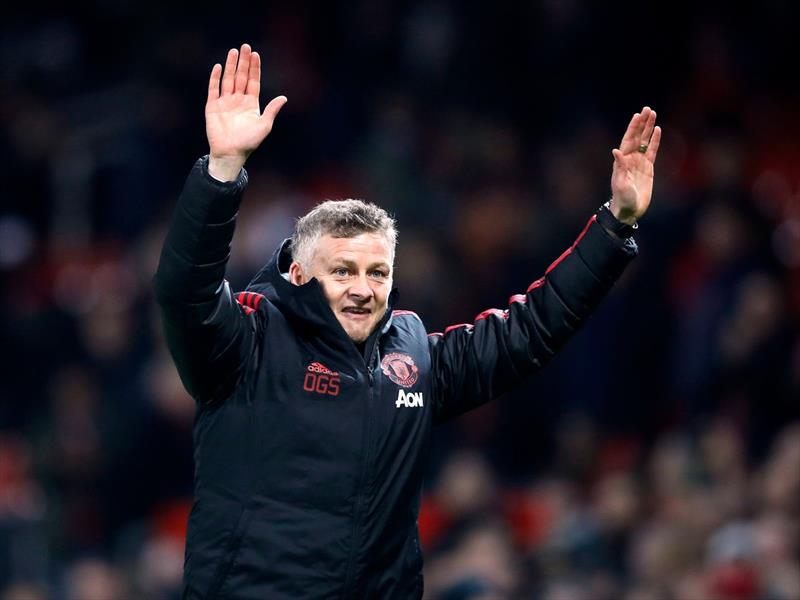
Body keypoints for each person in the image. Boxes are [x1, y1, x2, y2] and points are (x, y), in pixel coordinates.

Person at [154, 43, 662, 599]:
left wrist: (615, 225)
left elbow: (531, 328)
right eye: (342, 271)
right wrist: (222, 172)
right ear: (298, 273)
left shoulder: (413, 354)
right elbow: (186, 292)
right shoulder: (248, 342)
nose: (363, 288)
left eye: (378, 273)